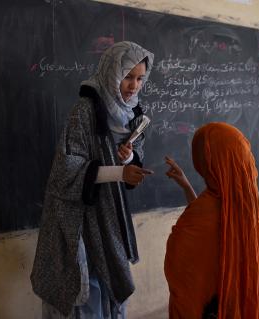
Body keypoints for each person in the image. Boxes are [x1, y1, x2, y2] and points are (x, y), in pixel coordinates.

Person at [31, 41, 154, 318]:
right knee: (87, 290)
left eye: (139, 78)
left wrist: (126, 159)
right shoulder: (84, 110)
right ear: (112, 72)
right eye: (127, 76)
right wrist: (119, 171)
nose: (133, 86)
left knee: (111, 283)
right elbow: (66, 171)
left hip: (109, 217)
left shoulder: (133, 114)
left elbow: (132, 163)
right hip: (80, 218)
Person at [164, 122, 259, 319]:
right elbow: (216, 227)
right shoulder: (247, 202)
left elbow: (181, 270)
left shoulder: (203, 213)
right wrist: (187, 186)